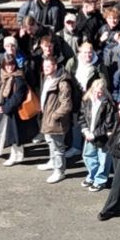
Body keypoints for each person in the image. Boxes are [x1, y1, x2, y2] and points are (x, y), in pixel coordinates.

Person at [36, 54, 73, 184]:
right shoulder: (46, 78)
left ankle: (59, 171)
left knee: (58, 148)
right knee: (50, 142)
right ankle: (52, 162)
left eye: (48, 66)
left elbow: (66, 105)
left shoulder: (62, 83)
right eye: (44, 66)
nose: (45, 69)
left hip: (56, 121)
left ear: (55, 66)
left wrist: (54, 116)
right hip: (46, 118)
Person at [79, 78, 113, 192]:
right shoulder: (86, 101)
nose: (97, 95)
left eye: (100, 92)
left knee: (103, 160)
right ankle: (92, 176)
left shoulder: (108, 103)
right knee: (88, 156)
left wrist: (94, 134)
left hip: (102, 137)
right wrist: (85, 130)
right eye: (95, 92)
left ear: (104, 91)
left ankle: (100, 180)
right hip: (89, 134)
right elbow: (82, 117)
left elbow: (108, 124)